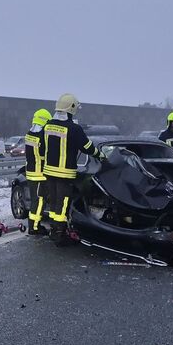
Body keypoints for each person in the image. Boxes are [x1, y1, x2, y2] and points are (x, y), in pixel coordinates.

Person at [43, 93, 103, 244]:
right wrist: (100, 155)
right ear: (72, 109)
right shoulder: (74, 129)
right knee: (62, 204)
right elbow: (87, 147)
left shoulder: (48, 125)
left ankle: (54, 231)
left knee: (54, 202)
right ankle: (60, 235)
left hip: (49, 172)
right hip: (64, 173)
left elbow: (43, 146)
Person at [24, 108, 52, 235]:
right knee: (39, 200)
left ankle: (33, 225)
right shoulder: (43, 136)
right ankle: (34, 227)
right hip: (40, 173)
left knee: (35, 200)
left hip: (31, 172)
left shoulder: (29, 134)